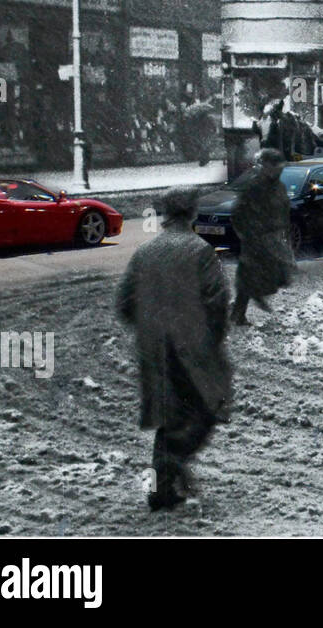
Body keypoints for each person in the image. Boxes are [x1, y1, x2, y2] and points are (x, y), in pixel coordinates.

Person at [116, 187, 232, 511]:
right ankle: (172, 465)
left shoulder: (145, 252)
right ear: (192, 212)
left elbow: (124, 302)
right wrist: (211, 340)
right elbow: (217, 302)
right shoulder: (200, 251)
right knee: (207, 408)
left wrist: (148, 329)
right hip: (192, 346)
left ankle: (161, 489)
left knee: (169, 418)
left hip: (154, 349)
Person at [230, 148, 296, 325]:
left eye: (281, 166)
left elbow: (284, 210)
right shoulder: (255, 186)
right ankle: (243, 308)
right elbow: (237, 212)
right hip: (255, 238)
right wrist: (246, 234)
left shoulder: (279, 186)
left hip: (272, 237)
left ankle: (243, 308)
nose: (280, 170)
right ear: (266, 166)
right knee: (251, 273)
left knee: (264, 274)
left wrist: (284, 231)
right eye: (275, 166)